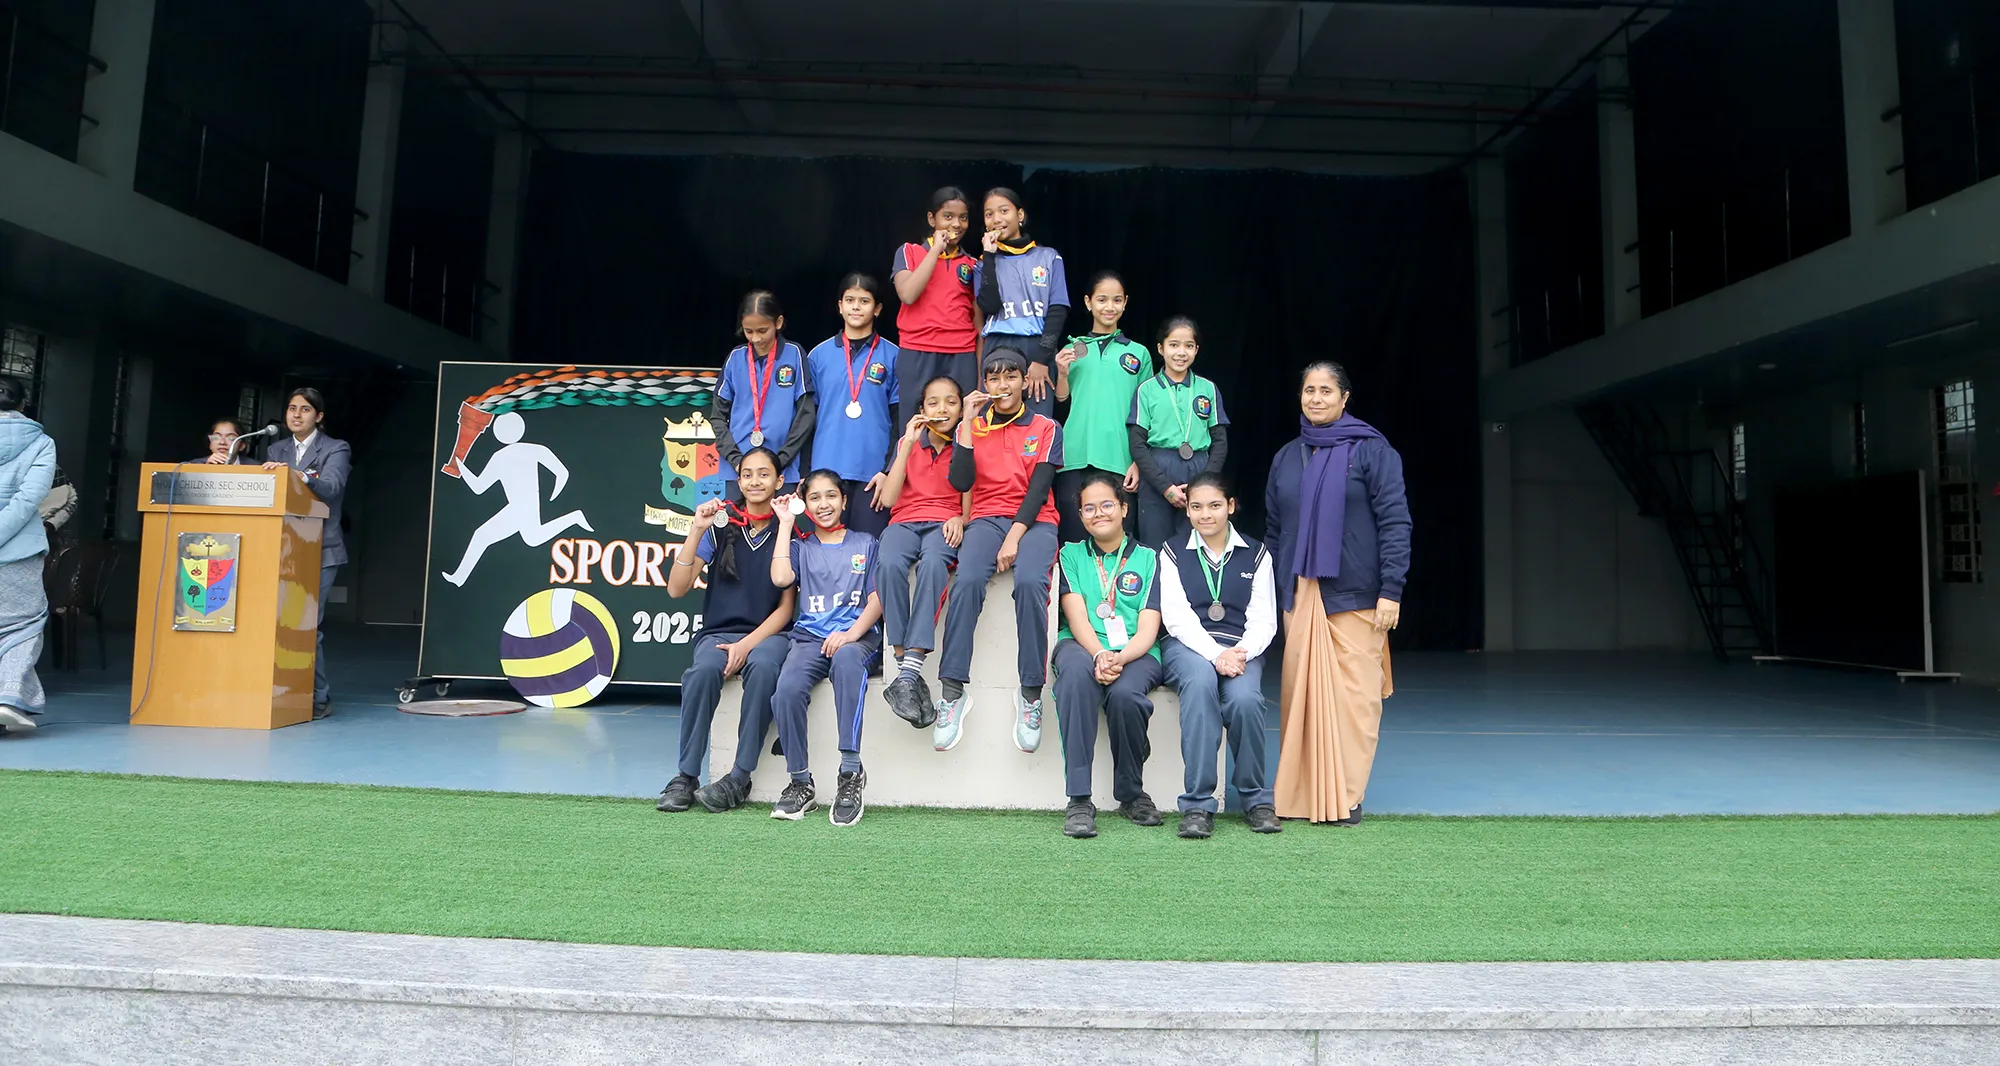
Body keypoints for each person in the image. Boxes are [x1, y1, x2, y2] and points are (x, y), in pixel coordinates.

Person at [1264, 361, 1410, 826]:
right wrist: (1276, 589)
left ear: (1345, 397)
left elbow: (1395, 523)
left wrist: (1392, 589)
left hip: (1359, 596)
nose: (1316, 398)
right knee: (1304, 699)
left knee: (1357, 703)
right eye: (1309, 390)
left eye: (1326, 390)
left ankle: (1346, 796)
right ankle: (1303, 798)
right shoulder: (1287, 457)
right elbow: (1274, 530)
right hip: (1301, 594)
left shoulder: (1372, 451)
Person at [933, 349, 1063, 755]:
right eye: (993, 378)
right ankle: (952, 693)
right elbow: (960, 481)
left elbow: (1039, 489)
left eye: (1010, 377)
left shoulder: (1045, 426)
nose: (1002, 385)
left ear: (1024, 381)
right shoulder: (971, 426)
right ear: (984, 384)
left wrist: (1014, 538)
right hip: (987, 518)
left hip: (1036, 520)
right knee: (967, 580)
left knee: (1030, 583)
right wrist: (967, 426)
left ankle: (1030, 695)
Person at [657, 447, 797, 815]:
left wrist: (746, 645)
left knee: (764, 668)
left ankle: (739, 776)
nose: (755, 481)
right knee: (702, 671)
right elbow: (676, 589)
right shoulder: (720, 524)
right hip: (718, 634)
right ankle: (686, 775)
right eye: (747, 474)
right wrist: (696, 528)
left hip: (769, 636)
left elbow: (786, 609)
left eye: (764, 474)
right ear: (738, 479)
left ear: (779, 481)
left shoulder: (788, 528)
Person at [1156, 474, 1281, 838]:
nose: (1205, 514)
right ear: (1187, 510)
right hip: (1187, 646)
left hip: (1241, 648)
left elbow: (1264, 619)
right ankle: (1197, 805)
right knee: (1199, 685)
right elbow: (1176, 617)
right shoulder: (1171, 552)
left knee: (1245, 700)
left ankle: (1256, 800)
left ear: (1231, 506)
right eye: (1196, 507)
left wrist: (1239, 653)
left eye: (1214, 505)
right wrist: (1216, 656)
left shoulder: (1257, 554)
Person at [1050, 472, 1164, 838]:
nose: (1098, 513)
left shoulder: (1149, 558)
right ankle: (1079, 799)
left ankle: (1131, 794)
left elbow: (1148, 628)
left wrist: (1120, 658)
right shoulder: (1069, 554)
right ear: (1081, 515)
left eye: (1107, 505)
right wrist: (1100, 654)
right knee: (1074, 679)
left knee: (1126, 695)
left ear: (1124, 509)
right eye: (1089, 508)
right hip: (1081, 643)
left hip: (1136, 649)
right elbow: (1076, 617)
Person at [768, 471, 884, 826]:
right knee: (786, 690)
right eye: (814, 498)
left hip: (857, 638)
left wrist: (850, 634)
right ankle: (800, 782)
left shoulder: (866, 543)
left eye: (831, 496)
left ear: (844, 501)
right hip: (810, 639)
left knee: (847, 661)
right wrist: (785, 523)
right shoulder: (800, 547)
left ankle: (850, 772)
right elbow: (781, 578)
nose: (824, 504)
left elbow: (877, 599)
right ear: (805, 504)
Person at [874, 375, 970, 728]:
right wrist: (908, 444)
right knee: (888, 563)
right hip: (904, 520)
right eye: (933, 402)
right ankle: (909, 674)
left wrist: (962, 518)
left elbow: (971, 492)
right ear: (921, 409)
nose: (942, 409)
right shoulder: (908, 440)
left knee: (932, 565)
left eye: (951, 402)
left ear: (961, 408)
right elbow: (888, 499)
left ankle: (906, 674)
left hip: (944, 521)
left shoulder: (967, 440)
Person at [262, 387, 350, 721]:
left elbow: (331, 488)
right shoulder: (276, 449)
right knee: (283, 623)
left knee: (308, 624)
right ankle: (286, 692)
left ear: (319, 416)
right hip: (284, 548)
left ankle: (318, 697)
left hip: (321, 549)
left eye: (304, 409)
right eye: (291, 408)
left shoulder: (336, 448)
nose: (296, 415)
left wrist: (300, 476)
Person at [1052, 271, 1148, 543]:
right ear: (1088, 302)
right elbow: (1061, 408)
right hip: (1074, 456)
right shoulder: (1072, 349)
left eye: (1117, 300)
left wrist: (1138, 462)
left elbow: (1146, 414)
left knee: (1118, 542)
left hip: (1120, 458)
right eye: (1102, 299)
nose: (1109, 307)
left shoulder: (1139, 353)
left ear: (1125, 303)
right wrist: (1061, 374)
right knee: (1073, 539)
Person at [805, 273, 900, 536]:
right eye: (849, 300)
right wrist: (806, 471)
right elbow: (807, 420)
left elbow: (899, 419)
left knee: (868, 549)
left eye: (864, 301)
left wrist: (888, 470)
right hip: (826, 471)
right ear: (840, 306)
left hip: (873, 474)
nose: (856, 307)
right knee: (825, 547)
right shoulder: (818, 356)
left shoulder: (894, 355)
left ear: (877, 308)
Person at [1129, 316, 1229, 548]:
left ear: (1196, 350)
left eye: (1188, 346)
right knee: (1156, 546)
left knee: (1196, 545)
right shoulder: (1146, 390)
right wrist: (1165, 487)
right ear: (1160, 348)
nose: (1181, 352)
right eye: (1174, 345)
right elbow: (1137, 443)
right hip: (1157, 470)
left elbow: (1220, 441)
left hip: (1199, 468)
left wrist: (1204, 483)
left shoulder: (1207, 388)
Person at [974, 188, 1069, 419]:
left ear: (1020, 215)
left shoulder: (1049, 257)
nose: (997, 219)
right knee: (996, 419)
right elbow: (990, 306)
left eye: (1004, 211)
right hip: (998, 345)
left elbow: (1058, 310)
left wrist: (1041, 360)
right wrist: (989, 256)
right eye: (989, 214)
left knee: (1037, 421)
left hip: (1038, 347)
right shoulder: (982, 263)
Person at [711, 291, 815, 495]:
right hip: (738, 472)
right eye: (748, 331)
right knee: (736, 516)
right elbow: (718, 416)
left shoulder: (794, 354)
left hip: (782, 471)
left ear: (779, 322)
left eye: (762, 330)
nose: (756, 338)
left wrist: (780, 461)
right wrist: (737, 461)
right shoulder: (735, 358)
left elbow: (806, 414)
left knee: (780, 517)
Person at [0, 375, 55, 735]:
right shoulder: (41, 442)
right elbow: (29, 498)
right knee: (22, 625)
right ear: (24, 404)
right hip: (19, 553)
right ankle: (8, 698)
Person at [891, 186, 981, 403]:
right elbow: (908, 294)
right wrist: (935, 251)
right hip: (917, 350)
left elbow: (979, 324)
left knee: (962, 419)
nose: (956, 224)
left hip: (961, 354)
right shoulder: (909, 251)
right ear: (932, 219)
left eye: (963, 218)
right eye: (948, 216)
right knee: (916, 418)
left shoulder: (972, 264)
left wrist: (980, 374)